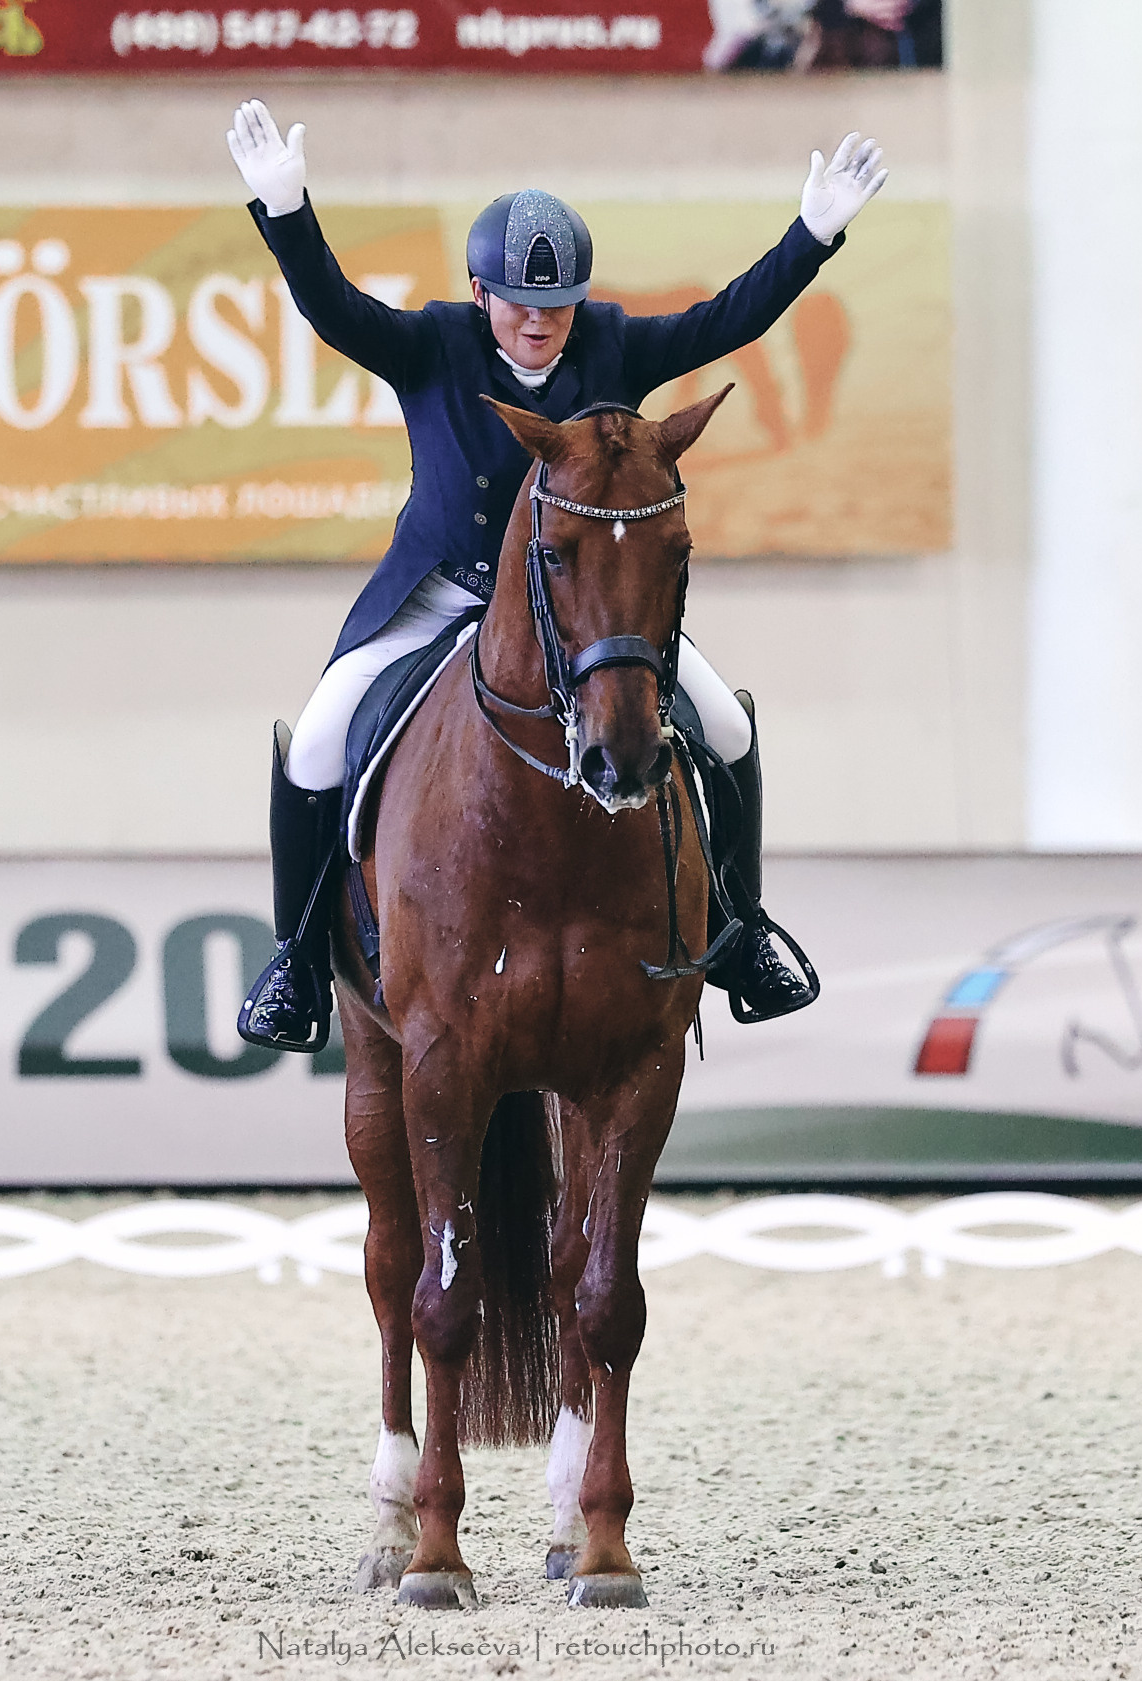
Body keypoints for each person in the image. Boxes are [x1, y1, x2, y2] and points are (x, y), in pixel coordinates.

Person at [225, 99, 887, 1052]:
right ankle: (294, 961)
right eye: (520, 303)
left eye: (557, 306)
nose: (539, 323)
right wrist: (285, 212)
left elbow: (726, 318)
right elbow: (331, 308)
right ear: (482, 293)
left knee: (729, 728)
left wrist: (813, 234)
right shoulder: (433, 344)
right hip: (445, 588)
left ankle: (743, 931)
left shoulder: (613, 343)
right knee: (319, 742)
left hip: (582, 607)